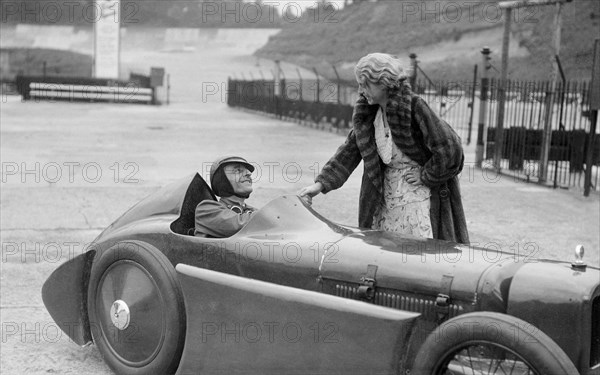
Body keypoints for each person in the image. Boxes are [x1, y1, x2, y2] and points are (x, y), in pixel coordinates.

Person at [300, 53, 469, 244]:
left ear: (384, 82)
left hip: (418, 198)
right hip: (384, 198)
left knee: (418, 253)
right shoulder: (368, 114)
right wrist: (319, 185)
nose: (361, 91)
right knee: (385, 252)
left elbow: (450, 148)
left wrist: (427, 175)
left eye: (365, 85)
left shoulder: (414, 106)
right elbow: (348, 152)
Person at [195, 155, 257, 237]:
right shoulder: (206, 210)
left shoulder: (253, 211)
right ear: (222, 180)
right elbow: (236, 225)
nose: (249, 173)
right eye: (238, 171)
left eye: (247, 171)